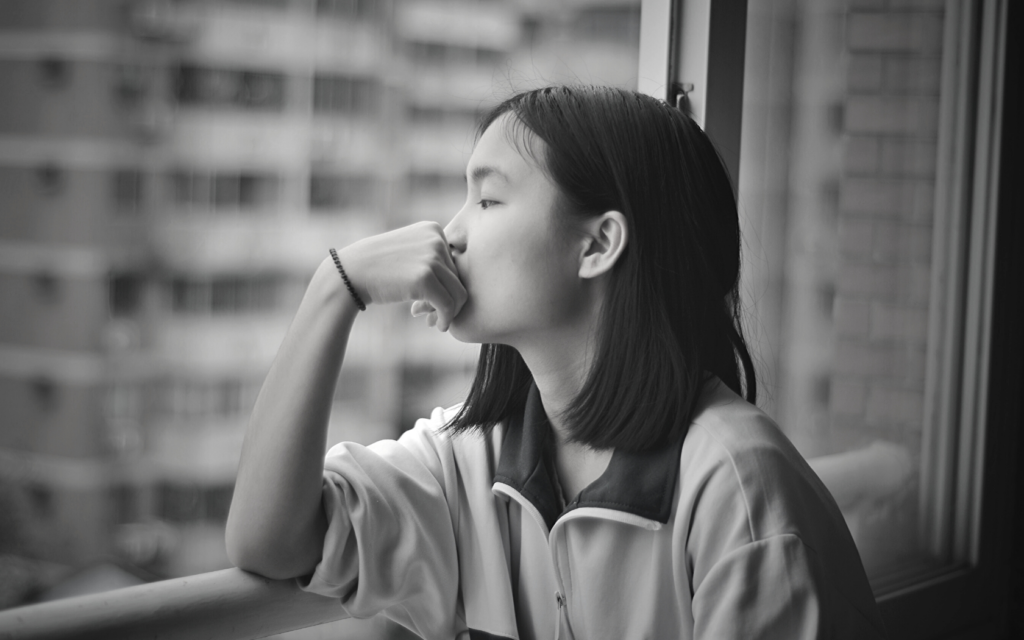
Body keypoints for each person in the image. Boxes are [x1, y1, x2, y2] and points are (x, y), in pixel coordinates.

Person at [225, 85, 887, 639]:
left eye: (486, 199)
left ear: (598, 244)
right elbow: (272, 541)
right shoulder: (470, 461)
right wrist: (334, 287)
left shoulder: (741, 493)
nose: (448, 233)